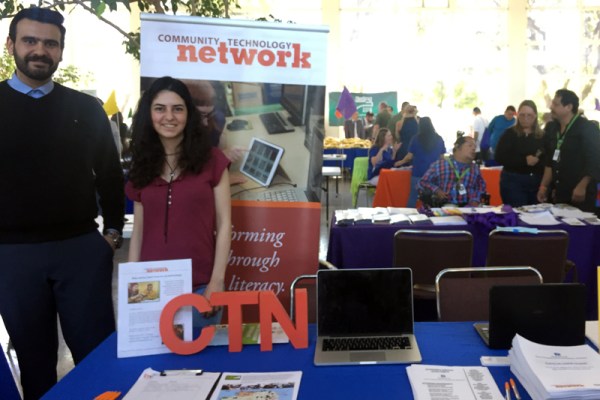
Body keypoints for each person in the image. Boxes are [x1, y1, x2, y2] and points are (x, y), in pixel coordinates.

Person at [0, 8, 124, 400]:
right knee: (36, 363)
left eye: (50, 43)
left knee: (98, 356)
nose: (40, 50)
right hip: (12, 256)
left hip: (81, 251)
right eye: (30, 41)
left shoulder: (86, 110)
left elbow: (109, 174)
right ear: (11, 45)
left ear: (61, 51)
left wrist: (113, 234)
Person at [126, 76, 231, 327]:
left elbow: (226, 223)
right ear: (149, 114)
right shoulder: (142, 164)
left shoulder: (212, 160)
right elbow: (138, 231)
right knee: (154, 365)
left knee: (201, 365)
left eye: (178, 109)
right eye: (160, 109)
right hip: (149, 289)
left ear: (189, 115)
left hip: (201, 287)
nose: (169, 117)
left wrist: (217, 281)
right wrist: (130, 282)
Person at [537, 89, 600, 212]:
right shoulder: (552, 128)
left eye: (556, 104)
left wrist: (582, 186)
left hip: (581, 193)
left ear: (569, 107)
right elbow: (550, 161)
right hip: (559, 192)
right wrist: (543, 187)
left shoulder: (587, 128)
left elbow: (595, 159)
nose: (551, 107)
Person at [495, 100, 552, 207]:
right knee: (517, 215)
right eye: (522, 115)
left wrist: (544, 185)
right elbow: (499, 157)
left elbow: (549, 161)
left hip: (537, 182)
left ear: (535, 116)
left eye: (529, 115)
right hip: (513, 182)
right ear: (517, 115)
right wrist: (523, 160)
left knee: (537, 217)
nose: (525, 118)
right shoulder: (509, 134)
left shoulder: (544, 136)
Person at [417, 136, 486, 206]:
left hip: (466, 209)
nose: (474, 148)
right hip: (442, 208)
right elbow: (423, 182)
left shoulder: (475, 169)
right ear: (458, 147)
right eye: (470, 145)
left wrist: (475, 199)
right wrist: (436, 190)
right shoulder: (440, 165)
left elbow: (480, 186)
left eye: (475, 146)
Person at [395, 117, 446, 207]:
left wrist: (400, 162)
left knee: (413, 197)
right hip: (434, 174)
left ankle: (409, 216)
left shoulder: (416, 138)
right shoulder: (439, 139)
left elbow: (409, 156)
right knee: (433, 198)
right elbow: (442, 158)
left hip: (418, 172)